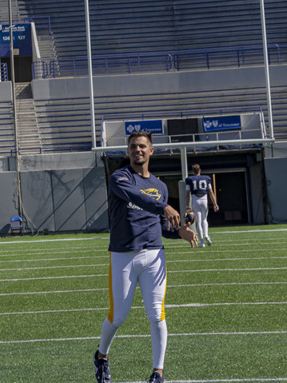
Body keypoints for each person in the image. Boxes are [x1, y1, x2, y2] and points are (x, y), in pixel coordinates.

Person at [93, 131, 198, 383]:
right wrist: (163, 205)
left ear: (151, 151)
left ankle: (158, 373)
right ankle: (101, 356)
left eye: (142, 146)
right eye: (132, 146)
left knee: (156, 314)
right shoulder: (120, 178)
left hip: (154, 255)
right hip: (123, 255)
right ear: (128, 151)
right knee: (118, 316)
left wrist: (179, 232)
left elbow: (161, 225)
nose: (137, 150)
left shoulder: (160, 186)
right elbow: (137, 197)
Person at [185, 163, 219, 247]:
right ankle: (206, 235)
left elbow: (187, 194)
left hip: (195, 201)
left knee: (198, 222)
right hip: (204, 201)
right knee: (204, 220)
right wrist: (215, 204)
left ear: (193, 172)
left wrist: (187, 206)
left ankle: (202, 242)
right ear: (200, 170)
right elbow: (211, 192)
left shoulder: (190, 179)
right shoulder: (206, 178)